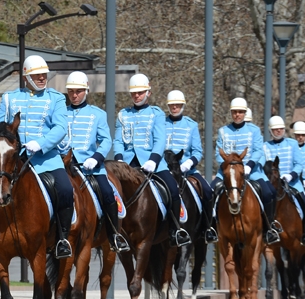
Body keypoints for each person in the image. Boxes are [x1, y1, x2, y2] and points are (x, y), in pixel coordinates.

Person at [0, 55, 74, 259]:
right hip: (11, 158)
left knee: (65, 189)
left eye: (43, 75)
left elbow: (60, 129)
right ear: (26, 77)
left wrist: (40, 143)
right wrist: (6, 143)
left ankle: (62, 239)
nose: (42, 78)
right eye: (36, 75)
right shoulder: (9, 98)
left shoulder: (56, 98)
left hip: (45, 158)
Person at [113, 74, 191, 247]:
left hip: (152, 162)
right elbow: (118, 141)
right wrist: (119, 162)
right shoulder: (123, 114)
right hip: (127, 164)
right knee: (111, 191)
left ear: (148, 92)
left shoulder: (156, 113)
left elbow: (160, 140)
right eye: (134, 93)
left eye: (140, 93)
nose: (137, 96)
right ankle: (112, 232)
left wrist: (154, 160)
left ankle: (175, 230)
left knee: (172, 189)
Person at [58, 71, 129, 253]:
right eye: (71, 91)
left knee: (107, 193)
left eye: (79, 91)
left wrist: (95, 158)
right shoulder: (60, 113)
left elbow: (106, 140)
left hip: (90, 167)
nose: (74, 95)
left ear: (86, 90)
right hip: (64, 166)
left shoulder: (97, 114)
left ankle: (114, 235)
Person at [213, 98, 278, 244]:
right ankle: (211, 228)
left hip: (252, 171)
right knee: (210, 192)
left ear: (244, 113)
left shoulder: (254, 130)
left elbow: (257, 150)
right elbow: (218, 153)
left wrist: (248, 165)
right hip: (228, 172)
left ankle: (269, 228)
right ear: (231, 113)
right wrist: (228, 166)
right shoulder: (223, 131)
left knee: (269, 193)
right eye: (235, 112)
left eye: (240, 112)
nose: (237, 115)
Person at [164, 90, 216, 243]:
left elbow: (197, 151)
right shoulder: (160, 123)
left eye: (178, 105)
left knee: (208, 191)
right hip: (165, 169)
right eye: (172, 105)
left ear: (183, 105)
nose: (175, 107)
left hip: (187, 170)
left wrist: (188, 163)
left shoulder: (191, 125)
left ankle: (207, 229)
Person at [263, 116, 305, 246]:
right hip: (272, 184)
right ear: (270, 131)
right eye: (275, 129)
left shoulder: (292, 143)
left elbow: (299, 164)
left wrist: (290, 175)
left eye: (280, 129)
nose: (278, 131)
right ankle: (266, 232)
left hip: (292, 182)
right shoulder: (265, 147)